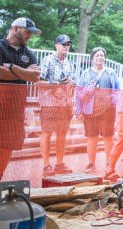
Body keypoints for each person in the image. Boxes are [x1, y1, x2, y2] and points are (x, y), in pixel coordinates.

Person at [0, 17, 42, 179]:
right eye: (27, 31)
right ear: (15, 28)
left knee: (7, 146)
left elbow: (35, 76)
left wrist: (11, 67)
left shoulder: (29, 54)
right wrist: (24, 72)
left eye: (31, 33)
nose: (29, 35)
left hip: (15, 109)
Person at [38, 34, 77, 176]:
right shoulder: (47, 60)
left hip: (65, 105)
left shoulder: (69, 63)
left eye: (68, 45)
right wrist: (56, 84)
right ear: (56, 45)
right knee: (47, 133)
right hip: (49, 104)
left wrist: (71, 86)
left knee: (62, 134)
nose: (66, 47)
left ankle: (59, 163)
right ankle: (46, 165)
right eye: (63, 44)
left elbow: (73, 84)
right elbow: (38, 82)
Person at [77, 47, 119, 173]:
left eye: (102, 55)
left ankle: (109, 163)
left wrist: (114, 104)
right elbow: (78, 93)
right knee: (91, 137)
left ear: (105, 58)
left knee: (108, 137)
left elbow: (117, 91)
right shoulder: (85, 73)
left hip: (107, 111)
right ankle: (91, 164)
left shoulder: (111, 72)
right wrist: (79, 111)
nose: (100, 58)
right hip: (90, 111)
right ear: (92, 58)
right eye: (97, 55)